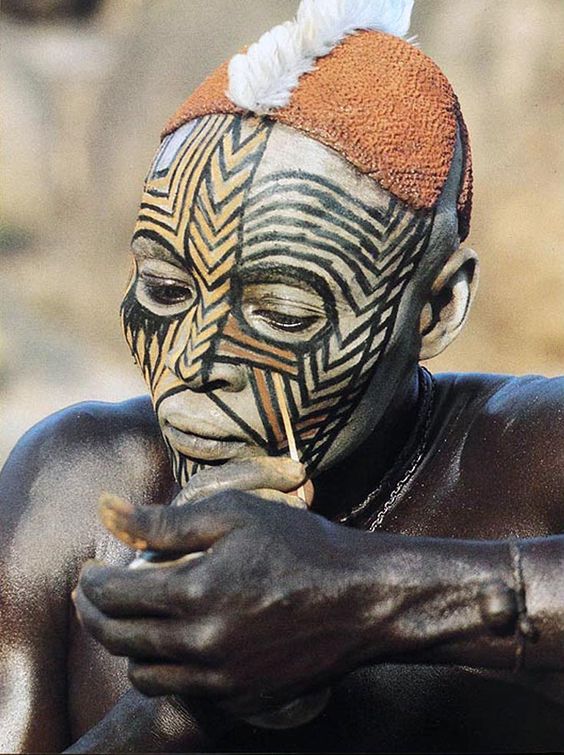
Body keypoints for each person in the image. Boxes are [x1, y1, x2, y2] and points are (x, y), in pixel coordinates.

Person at [1, 0, 563, 752]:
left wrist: (354, 599)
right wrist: (181, 704)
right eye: (166, 289)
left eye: (284, 312)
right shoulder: (77, 487)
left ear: (434, 308)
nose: (196, 363)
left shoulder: (527, 460)